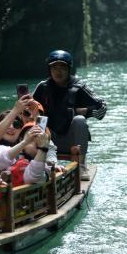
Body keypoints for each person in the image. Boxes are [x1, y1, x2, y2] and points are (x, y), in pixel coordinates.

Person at [32, 50, 106, 181]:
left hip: (70, 140)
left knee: (79, 120)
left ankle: (81, 166)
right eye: (54, 67)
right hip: (48, 139)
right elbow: (27, 110)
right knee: (38, 119)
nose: (58, 71)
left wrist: (80, 111)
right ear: (49, 69)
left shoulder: (79, 87)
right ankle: (34, 163)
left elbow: (102, 108)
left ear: (69, 69)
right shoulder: (42, 87)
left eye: (62, 67)